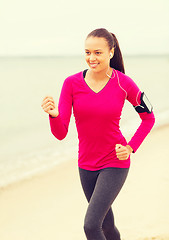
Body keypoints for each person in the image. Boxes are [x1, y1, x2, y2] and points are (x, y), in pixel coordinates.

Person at [41, 28, 155, 240]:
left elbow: (149, 118)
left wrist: (130, 147)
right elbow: (60, 133)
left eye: (98, 52)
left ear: (111, 52)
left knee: (91, 226)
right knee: (107, 226)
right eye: (87, 52)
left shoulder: (124, 83)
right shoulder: (71, 83)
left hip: (114, 162)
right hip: (86, 164)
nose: (91, 58)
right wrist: (54, 115)